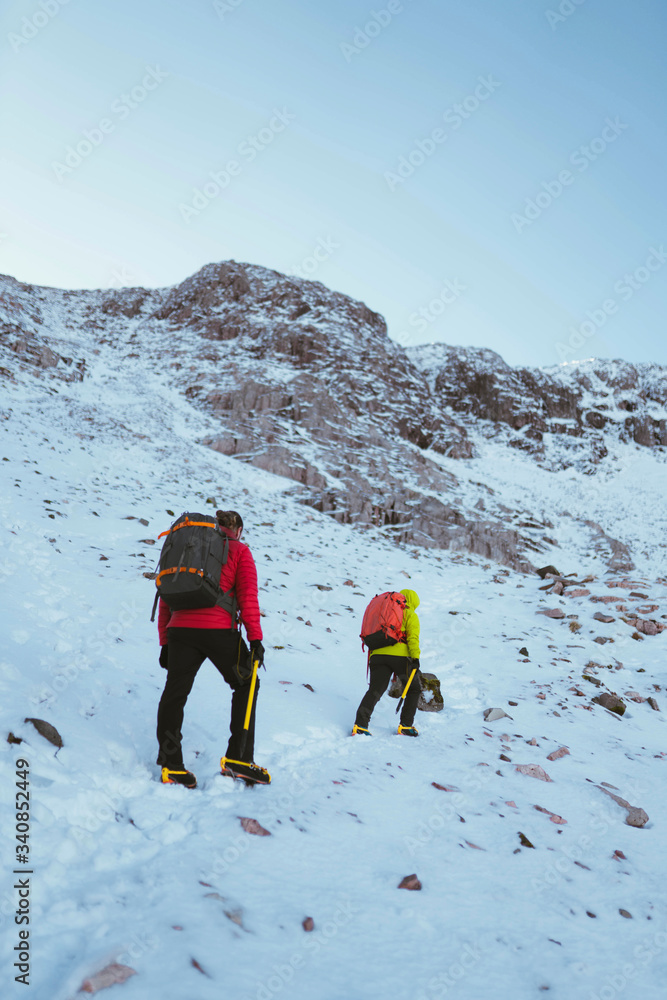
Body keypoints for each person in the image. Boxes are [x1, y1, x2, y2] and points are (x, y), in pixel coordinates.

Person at [156, 509, 269, 787]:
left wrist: (165, 641)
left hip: (180, 631)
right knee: (246, 683)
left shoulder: (189, 548)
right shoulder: (240, 551)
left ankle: (172, 766)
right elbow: (247, 597)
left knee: (175, 693)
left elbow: (166, 596)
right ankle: (238, 759)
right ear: (239, 530)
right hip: (219, 631)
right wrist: (255, 639)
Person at [353, 588, 421, 737]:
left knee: (375, 690)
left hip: (377, 655)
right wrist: (415, 658)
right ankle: (405, 726)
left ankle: (360, 725)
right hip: (400, 657)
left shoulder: (386, 613)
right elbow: (412, 639)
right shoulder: (410, 614)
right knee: (414, 688)